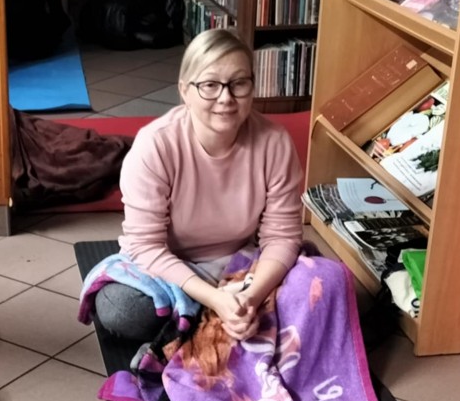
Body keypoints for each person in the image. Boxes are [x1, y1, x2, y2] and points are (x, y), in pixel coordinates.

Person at [92, 28, 303, 343]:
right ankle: (216, 317)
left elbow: (282, 236)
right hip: (171, 271)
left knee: (330, 283)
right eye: (210, 85)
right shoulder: (155, 144)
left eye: (239, 83)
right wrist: (215, 299)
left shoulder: (275, 142)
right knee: (122, 310)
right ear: (185, 90)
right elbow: (146, 246)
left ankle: (202, 322)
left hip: (241, 267)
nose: (226, 98)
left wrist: (251, 298)